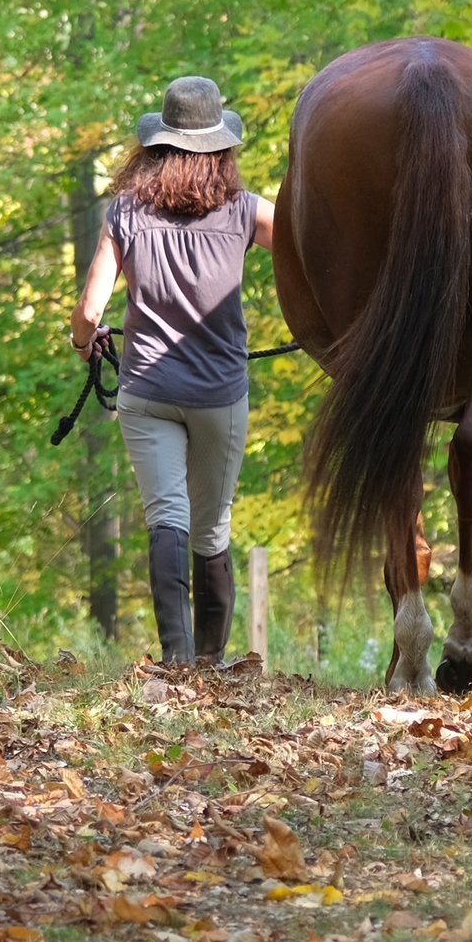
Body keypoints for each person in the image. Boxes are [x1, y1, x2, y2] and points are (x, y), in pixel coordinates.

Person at [70, 75, 276, 665]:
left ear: (156, 147)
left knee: (167, 517)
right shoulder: (246, 211)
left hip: (147, 391)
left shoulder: (125, 213)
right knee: (212, 528)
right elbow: (309, 248)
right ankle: (210, 663)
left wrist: (87, 342)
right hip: (218, 395)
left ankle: (177, 661)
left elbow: (89, 311)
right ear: (223, 148)